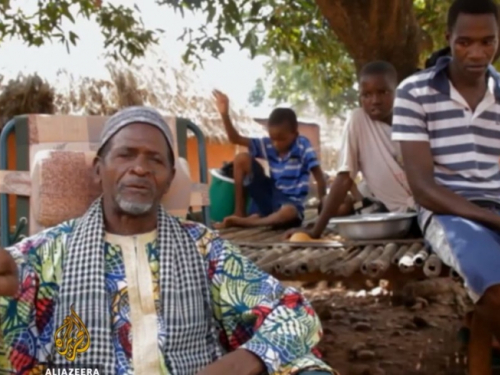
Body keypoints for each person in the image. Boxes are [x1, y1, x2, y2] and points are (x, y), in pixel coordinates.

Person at [0, 107, 334, 375]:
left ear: (170, 179)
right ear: (99, 169)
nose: (140, 168)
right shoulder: (43, 254)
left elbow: (295, 313)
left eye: (155, 159)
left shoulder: (204, 249)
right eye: (126, 155)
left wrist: (242, 361)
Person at [392, 0, 500, 373]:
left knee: (492, 299)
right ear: (448, 39)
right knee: (497, 293)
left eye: (488, 42)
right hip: (449, 211)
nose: (477, 53)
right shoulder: (414, 93)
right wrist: (492, 219)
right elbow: (423, 188)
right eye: (465, 42)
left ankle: (480, 353)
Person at [284, 61, 415, 240]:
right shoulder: (359, 120)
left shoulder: (413, 119)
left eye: (383, 92)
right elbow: (344, 178)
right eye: (366, 95)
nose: (375, 100)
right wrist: (316, 231)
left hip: (427, 211)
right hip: (397, 217)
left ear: (396, 92)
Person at [212, 90, 326, 229]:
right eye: (273, 139)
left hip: (290, 202)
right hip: (269, 196)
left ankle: (254, 222)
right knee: (241, 159)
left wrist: (323, 206)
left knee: (288, 212)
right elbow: (235, 139)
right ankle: (240, 213)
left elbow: (319, 176)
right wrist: (225, 114)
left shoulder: (302, 145)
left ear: (294, 134)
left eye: (282, 139)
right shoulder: (268, 145)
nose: (276, 144)